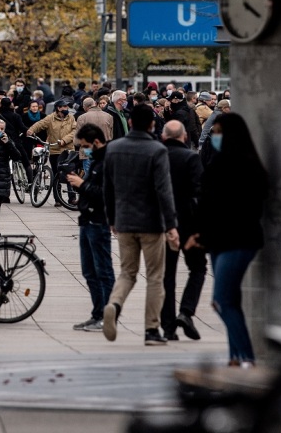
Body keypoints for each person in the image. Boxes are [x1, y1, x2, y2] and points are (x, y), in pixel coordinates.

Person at [188, 113, 268, 367]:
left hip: (237, 240)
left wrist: (201, 233)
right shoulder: (220, 162)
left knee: (222, 300)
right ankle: (235, 356)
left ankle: (246, 357)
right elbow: (208, 204)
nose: (216, 136)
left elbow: (228, 208)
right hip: (218, 240)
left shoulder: (243, 167)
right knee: (227, 300)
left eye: (220, 131)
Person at [102, 103, 178, 346]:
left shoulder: (113, 148)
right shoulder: (157, 150)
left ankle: (114, 304)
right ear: (153, 124)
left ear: (130, 122)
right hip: (151, 223)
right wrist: (171, 225)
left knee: (127, 273)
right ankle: (151, 330)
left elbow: (108, 188)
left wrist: (112, 218)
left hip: (124, 220)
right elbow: (164, 191)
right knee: (155, 277)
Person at [160, 120, 206, 342]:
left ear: (164, 136)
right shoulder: (191, 158)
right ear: (184, 136)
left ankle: (168, 327)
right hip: (188, 224)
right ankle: (186, 311)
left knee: (167, 276)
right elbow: (200, 193)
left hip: (164, 225)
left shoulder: (157, 157)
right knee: (198, 268)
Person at [67, 124, 114, 333]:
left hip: (98, 221)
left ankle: (106, 315)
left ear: (96, 142)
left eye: (86, 146)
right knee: (89, 271)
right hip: (87, 220)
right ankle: (97, 314)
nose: (84, 150)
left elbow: (106, 193)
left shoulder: (107, 161)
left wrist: (81, 184)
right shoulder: (96, 160)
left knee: (102, 270)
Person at [26, 100, 77, 204]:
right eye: (65, 107)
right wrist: (31, 130)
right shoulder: (50, 118)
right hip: (55, 150)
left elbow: (75, 131)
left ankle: (72, 198)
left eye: (67, 106)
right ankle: (57, 199)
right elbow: (40, 124)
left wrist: (64, 140)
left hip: (68, 150)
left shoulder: (71, 118)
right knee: (55, 174)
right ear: (58, 108)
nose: (67, 108)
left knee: (70, 173)